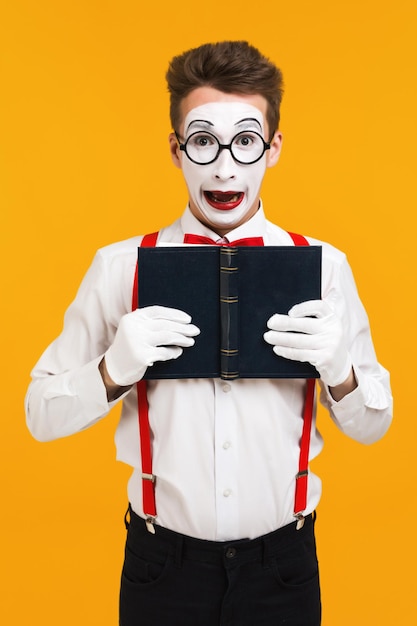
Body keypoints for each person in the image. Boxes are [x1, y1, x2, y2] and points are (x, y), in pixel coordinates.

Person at [25, 41, 392, 625]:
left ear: (272, 149)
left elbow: (375, 426)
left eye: (245, 141)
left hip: (284, 565)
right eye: (204, 141)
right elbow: (39, 416)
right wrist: (111, 371)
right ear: (177, 150)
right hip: (160, 565)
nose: (224, 168)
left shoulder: (325, 266)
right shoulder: (120, 267)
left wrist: (343, 372)